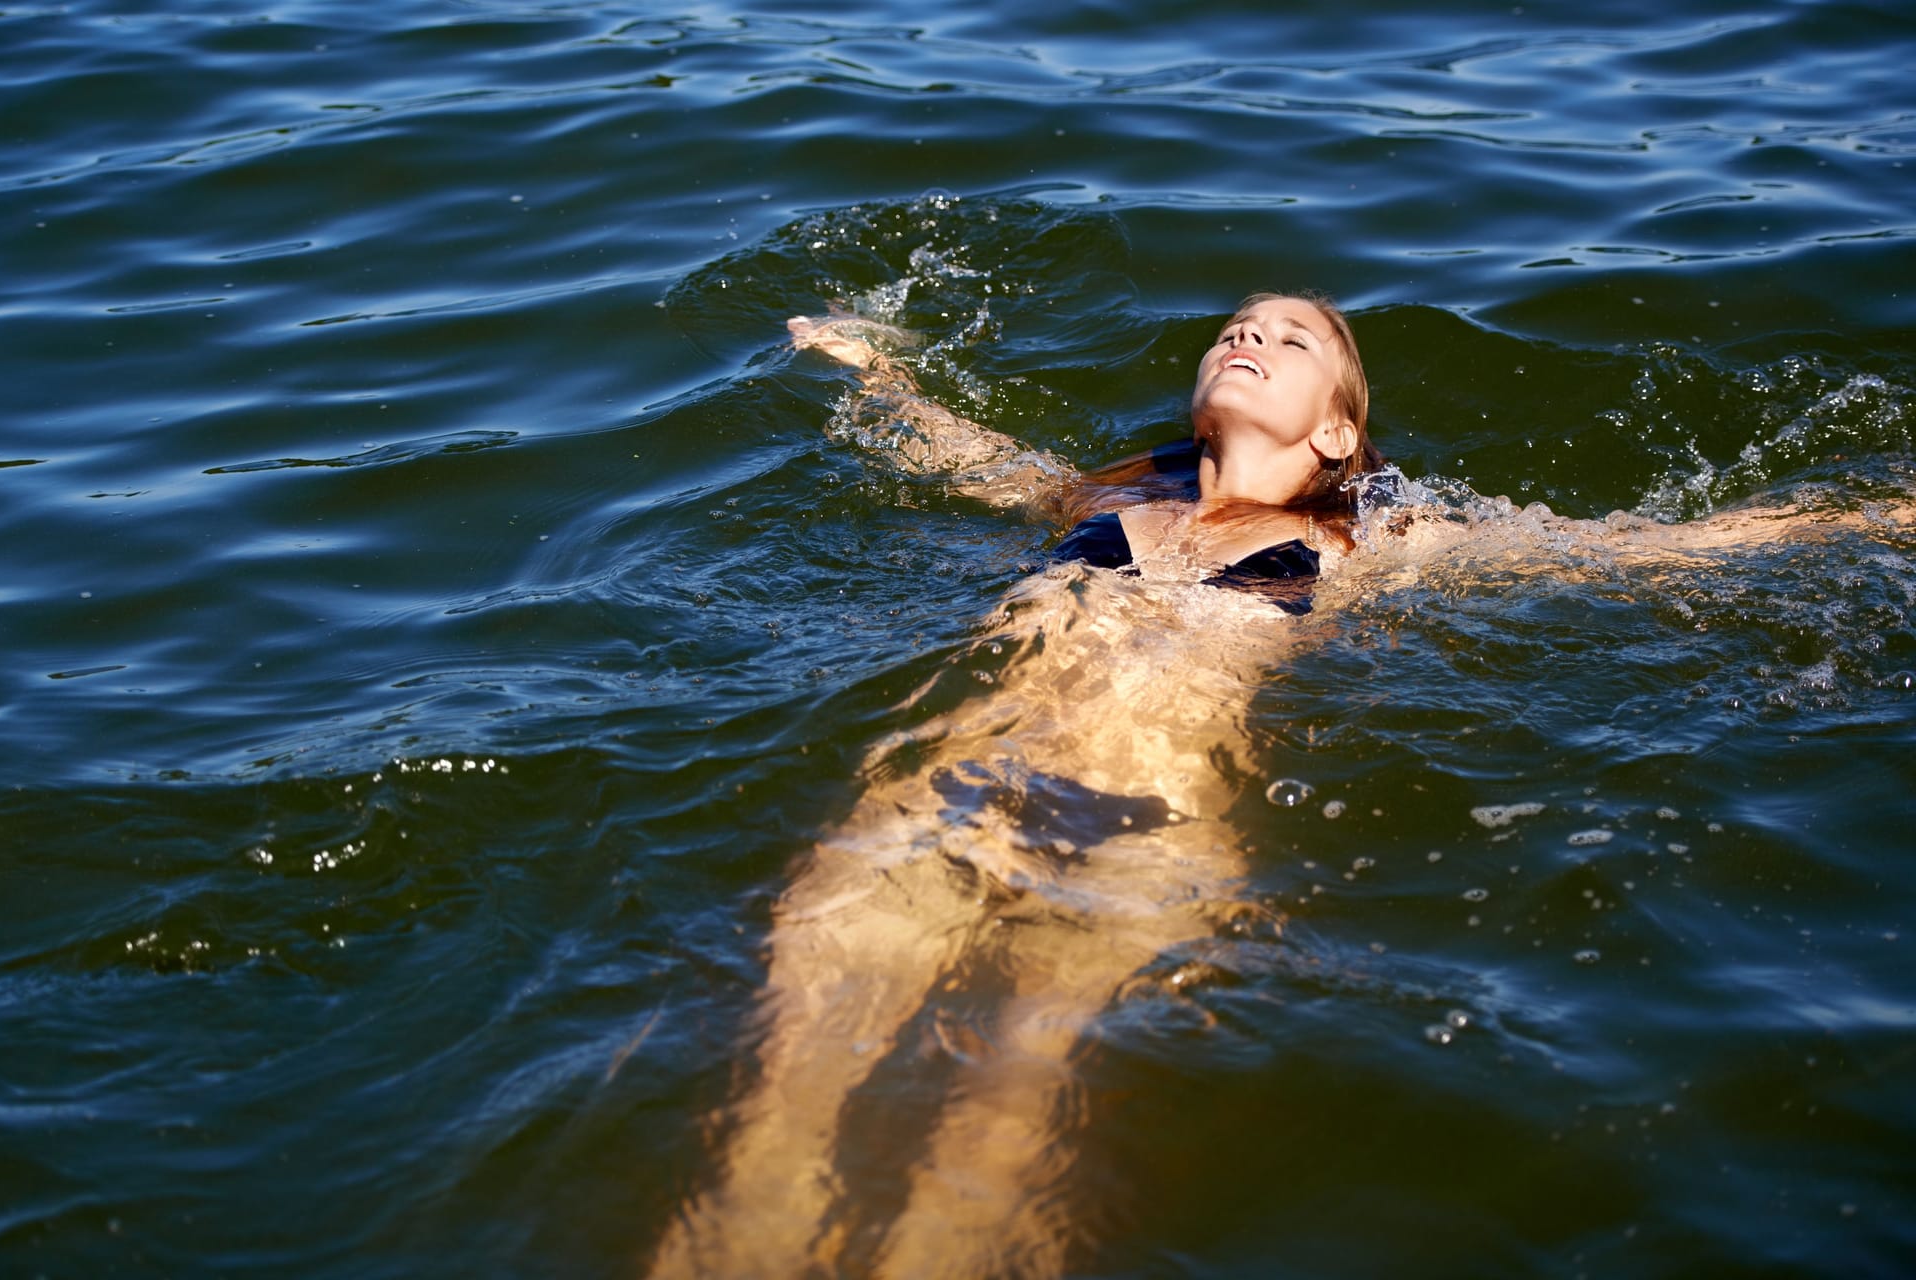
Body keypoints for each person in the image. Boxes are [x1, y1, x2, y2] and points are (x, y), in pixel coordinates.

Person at [647, 294, 1912, 1279]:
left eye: (1294, 335)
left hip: (1141, 829)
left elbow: (1623, 553)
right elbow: (953, 447)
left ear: (1336, 430)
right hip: (950, 787)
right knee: (785, 1080)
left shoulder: (1369, 541)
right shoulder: (1100, 494)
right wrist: (871, 365)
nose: (1250, 330)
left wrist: (1857, 523)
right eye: (1238, 325)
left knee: (1000, 1114)